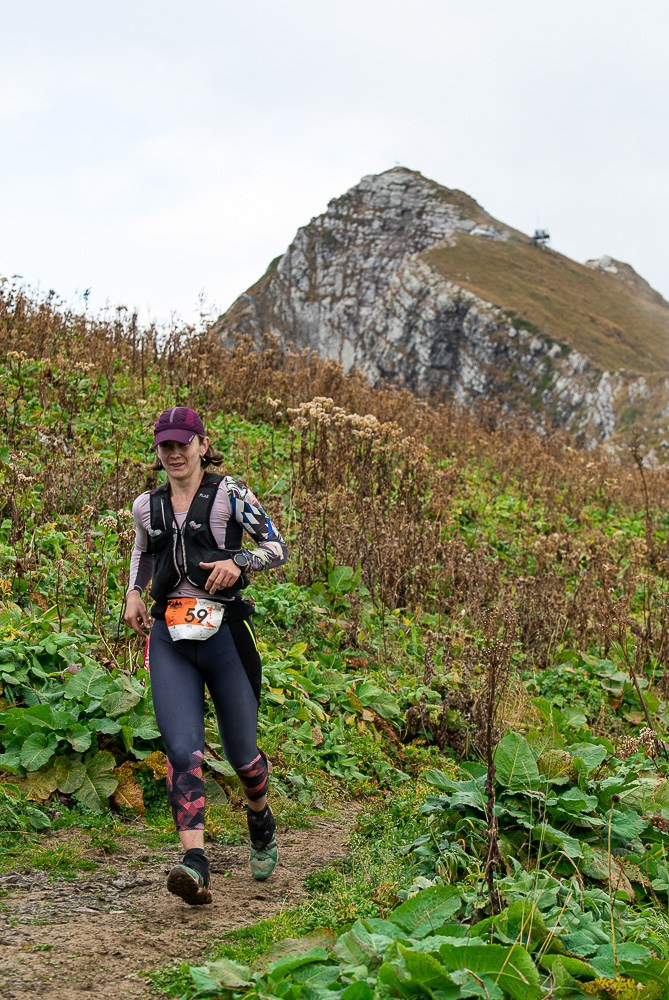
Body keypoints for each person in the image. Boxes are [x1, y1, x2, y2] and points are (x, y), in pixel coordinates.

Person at [124, 406, 288, 905]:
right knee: (182, 752)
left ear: (202, 444)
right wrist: (134, 592)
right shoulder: (146, 506)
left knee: (243, 757)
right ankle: (194, 863)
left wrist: (239, 561)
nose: (174, 453)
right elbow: (142, 552)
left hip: (226, 637)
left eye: (183, 443)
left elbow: (276, 547)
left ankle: (260, 818)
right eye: (166, 446)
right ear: (158, 450)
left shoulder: (230, 494)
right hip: (170, 637)